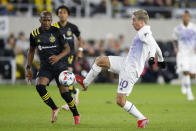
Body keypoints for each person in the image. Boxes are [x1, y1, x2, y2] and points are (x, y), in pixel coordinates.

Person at [76, 9, 165, 128]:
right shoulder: (146, 31)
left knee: (120, 101)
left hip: (131, 69)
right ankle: (85, 83)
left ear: (141, 21)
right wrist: (161, 59)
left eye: (134, 20)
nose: (132, 22)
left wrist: (153, 58)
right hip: (125, 62)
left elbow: (152, 45)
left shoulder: (143, 32)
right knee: (100, 60)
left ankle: (142, 118)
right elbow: (155, 45)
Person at [26, 11, 80, 125]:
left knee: (65, 94)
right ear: (40, 20)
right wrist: (28, 68)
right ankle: (54, 108)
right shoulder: (34, 34)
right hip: (45, 67)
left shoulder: (57, 31)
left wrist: (57, 57)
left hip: (60, 66)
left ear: (51, 20)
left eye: (49, 20)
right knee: (40, 87)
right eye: (44, 20)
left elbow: (67, 49)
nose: (46, 22)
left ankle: (76, 114)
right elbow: (31, 51)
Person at [52, 5, 84, 110]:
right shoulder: (54, 27)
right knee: (63, 78)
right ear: (57, 14)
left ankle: (70, 103)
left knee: (67, 74)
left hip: (70, 55)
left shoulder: (72, 27)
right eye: (60, 12)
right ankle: (74, 92)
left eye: (64, 12)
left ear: (68, 14)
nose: (62, 14)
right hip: (59, 56)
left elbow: (80, 38)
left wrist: (80, 51)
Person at [173, 10, 195, 101]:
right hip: (182, 53)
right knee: (185, 71)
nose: (186, 18)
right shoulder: (177, 29)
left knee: (192, 75)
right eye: (184, 16)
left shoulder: (194, 27)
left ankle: (183, 82)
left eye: (187, 16)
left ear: (189, 17)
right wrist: (176, 48)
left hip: (192, 54)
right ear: (182, 17)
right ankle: (189, 93)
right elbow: (175, 39)